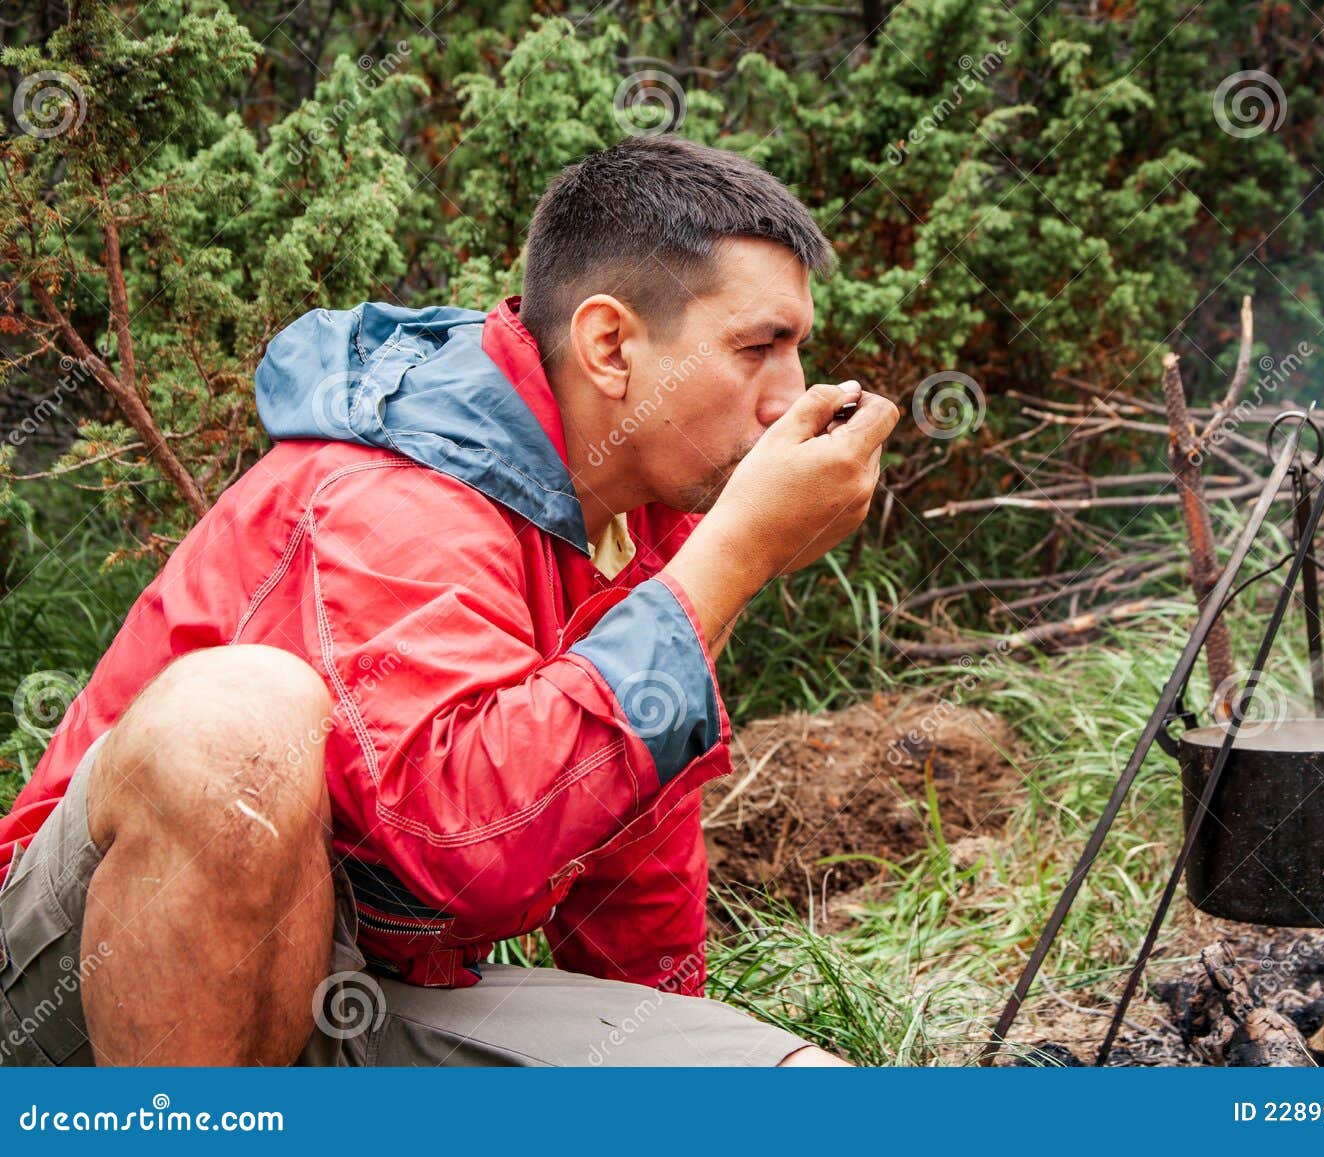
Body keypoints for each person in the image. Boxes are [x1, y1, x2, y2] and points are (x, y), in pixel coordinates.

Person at [0, 134, 900, 1067]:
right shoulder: (400, 492)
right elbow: (469, 836)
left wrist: (657, 1052)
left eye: (797, 348)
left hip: (353, 993)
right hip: (79, 1000)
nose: (789, 395)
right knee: (234, 722)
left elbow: (631, 851)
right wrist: (730, 564)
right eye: (758, 347)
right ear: (609, 345)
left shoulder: (644, 524)